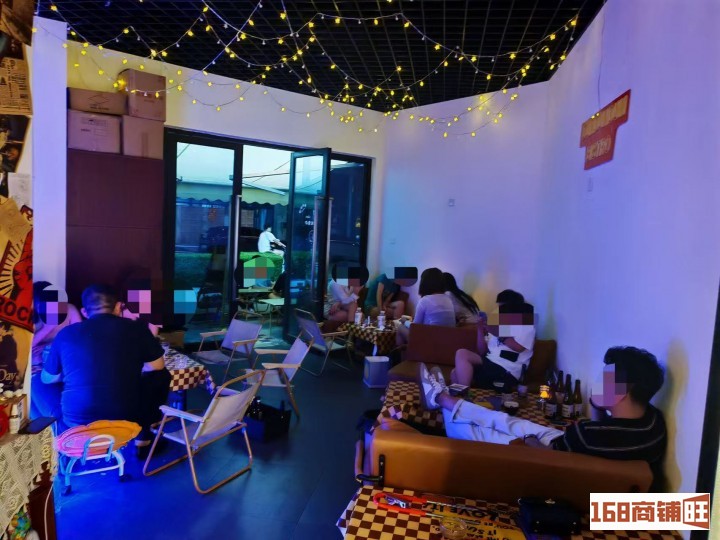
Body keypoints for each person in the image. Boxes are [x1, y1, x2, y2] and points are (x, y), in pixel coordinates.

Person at [418, 346, 667, 489]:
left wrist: (529, 442)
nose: (597, 384)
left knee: (475, 430)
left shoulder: (587, 434)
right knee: (506, 421)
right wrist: (600, 405)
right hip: (568, 446)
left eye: (604, 380)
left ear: (621, 392)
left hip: (546, 457)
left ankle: (441, 400)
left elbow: (552, 458)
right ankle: (445, 399)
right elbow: (604, 434)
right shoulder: (653, 424)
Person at [42, 284, 170, 448]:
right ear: (118, 307)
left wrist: (69, 373)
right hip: (127, 417)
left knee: (39, 383)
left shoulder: (66, 334)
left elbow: (48, 378)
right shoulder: (137, 329)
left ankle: (58, 436)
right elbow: (157, 366)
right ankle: (143, 437)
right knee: (160, 377)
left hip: (77, 422)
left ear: (84, 312)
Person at [452, 301, 535, 389]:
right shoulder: (500, 328)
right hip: (489, 362)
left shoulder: (526, 328)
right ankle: (464, 394)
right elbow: (482, 351)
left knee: (458, 372)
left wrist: (498, 333)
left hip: (507, 369)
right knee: (457, 365)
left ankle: (464, 393)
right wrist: (480, 330)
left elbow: (519, 348)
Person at [30, 282, 83, 420]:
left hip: (66, 367)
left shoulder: (69, 310)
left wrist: (51, 345)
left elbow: (79, 339)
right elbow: (25, 349)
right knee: (50, 413)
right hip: (39, 370)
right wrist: (47, 328)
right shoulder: (31, 318)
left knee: (70, 410)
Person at [396, 268, 455, 347]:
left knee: (400, 327)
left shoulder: (424, 300)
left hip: (430, 342)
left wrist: (405, 322)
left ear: (424, 283)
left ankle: (402, 353)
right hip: (447, 342)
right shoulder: (448, 299)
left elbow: (416, 327)